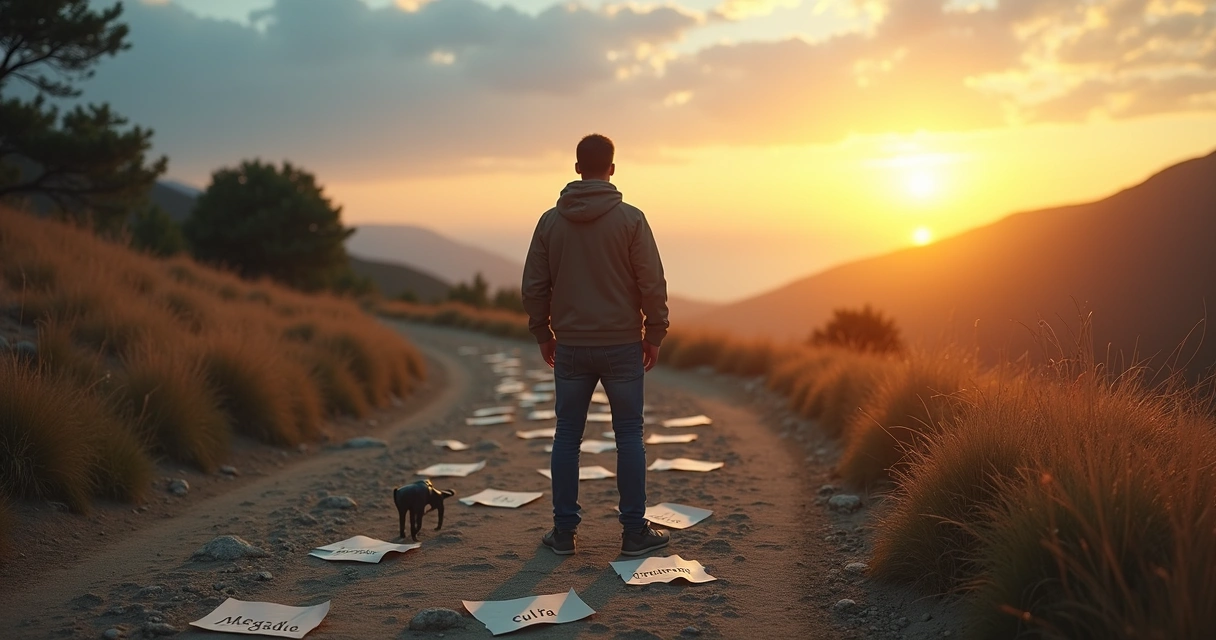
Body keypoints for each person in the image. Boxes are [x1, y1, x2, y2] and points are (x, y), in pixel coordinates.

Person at [522, 133, 671, 557]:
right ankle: (633, 532)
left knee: (567, 435)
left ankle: (564, 534)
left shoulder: (550, 222)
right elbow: (652, 283)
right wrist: (654, 334)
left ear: (576, 168)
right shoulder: (631, 220)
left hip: (570, 346)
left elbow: (534, 286)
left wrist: (543, 333)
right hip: (623, 344)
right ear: (612, 168)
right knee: (628, 435)